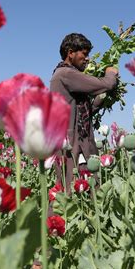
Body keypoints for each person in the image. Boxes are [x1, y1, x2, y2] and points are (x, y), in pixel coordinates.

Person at [50, 33, 118, 194]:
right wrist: (111, 72)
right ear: (70, 52)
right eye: (84, 54)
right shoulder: (66, 74)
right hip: (71, 146)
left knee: (84, 191)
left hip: (77, 144)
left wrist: (101, 99)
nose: (87, 59)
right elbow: (107, 84)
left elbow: (83, 111)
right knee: (68, 193)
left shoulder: (63, 75)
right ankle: (53, 220)